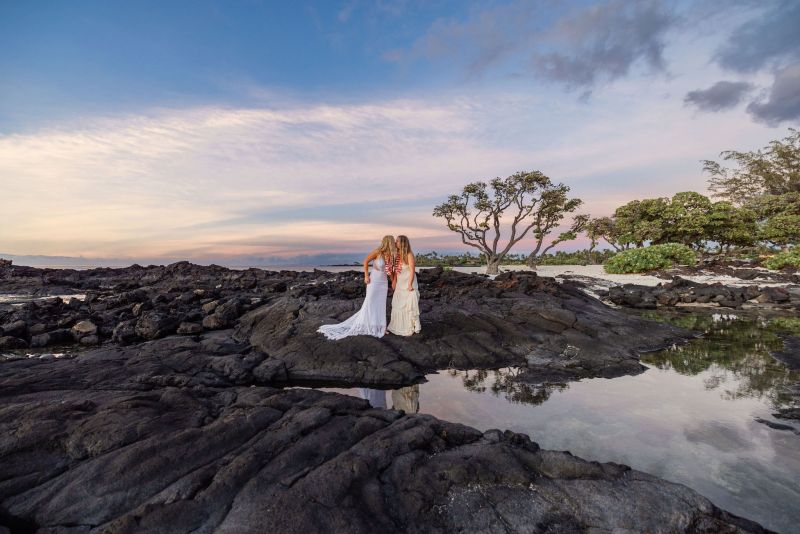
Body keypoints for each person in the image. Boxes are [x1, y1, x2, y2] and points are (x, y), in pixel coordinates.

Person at [317, 235, 395, 340]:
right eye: (392, 242)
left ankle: (381, 327)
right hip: (374, 281)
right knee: (370, 302)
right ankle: (369, 325)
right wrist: (366, 276)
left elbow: (390, 271)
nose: (394, 244)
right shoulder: (377, 252)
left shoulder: (390, 255)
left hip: (383, 282)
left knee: (381, 304)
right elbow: (366, 261)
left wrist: (393, 281)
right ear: (388, 242)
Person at [387, 235, 421, 336]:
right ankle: (398, 326)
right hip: (400, 284)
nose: (395, 243)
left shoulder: (409, 254)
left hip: (408, 283)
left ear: (402, 243)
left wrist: (410, 284)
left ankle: (409, 326)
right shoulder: (397, 255)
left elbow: (412, 271)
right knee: (397, 304)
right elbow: (396, 271)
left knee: (408, 305)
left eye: (397, 241)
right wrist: (394, 281)